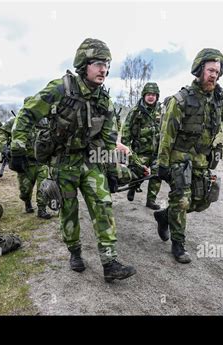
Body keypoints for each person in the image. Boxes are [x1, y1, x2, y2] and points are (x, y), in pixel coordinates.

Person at [10, 38, 136, 283]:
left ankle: (110, 263)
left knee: (103, 204)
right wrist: (17, 147)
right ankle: (75, 252)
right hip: (63, 162)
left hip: (90, 161)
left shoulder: (104, 101)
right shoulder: (60, 90)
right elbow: (27, 113)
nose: (104, 70)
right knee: (69, 209)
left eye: (107, 64)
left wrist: (111, 170)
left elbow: (109, 139)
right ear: (84, 65)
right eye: (98, 63)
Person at [155, 48, 223, 263]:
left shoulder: (217, 101)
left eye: (217, 71)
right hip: (180, 158)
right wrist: (162, 163)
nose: (214, 74)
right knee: (182, 201)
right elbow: (166, 133)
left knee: (201, 201)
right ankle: (178, 246)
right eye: (210, 70)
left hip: (201, 160)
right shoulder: (181, 100)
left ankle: (163, 216)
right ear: (199, 70)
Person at [0, 116, 52, 219]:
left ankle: (41, 209)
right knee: (25, 190)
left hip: (42, 162)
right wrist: (4, 147)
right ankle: (27, 201)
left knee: (43, 186)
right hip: (25, 162)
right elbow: (1, 132)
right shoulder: (17, 121)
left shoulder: (46, 120)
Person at [121, 82, 162, 210]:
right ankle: (133, 187)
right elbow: (126, 133)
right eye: (149, 94)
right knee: (139, 172)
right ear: (144, 95)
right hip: (140, 152)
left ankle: (151, 200)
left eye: (154, 95)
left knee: (157, 174)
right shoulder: (136, 111)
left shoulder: (161, 111)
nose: (151, 97)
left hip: (156, 152)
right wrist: (127, 151)